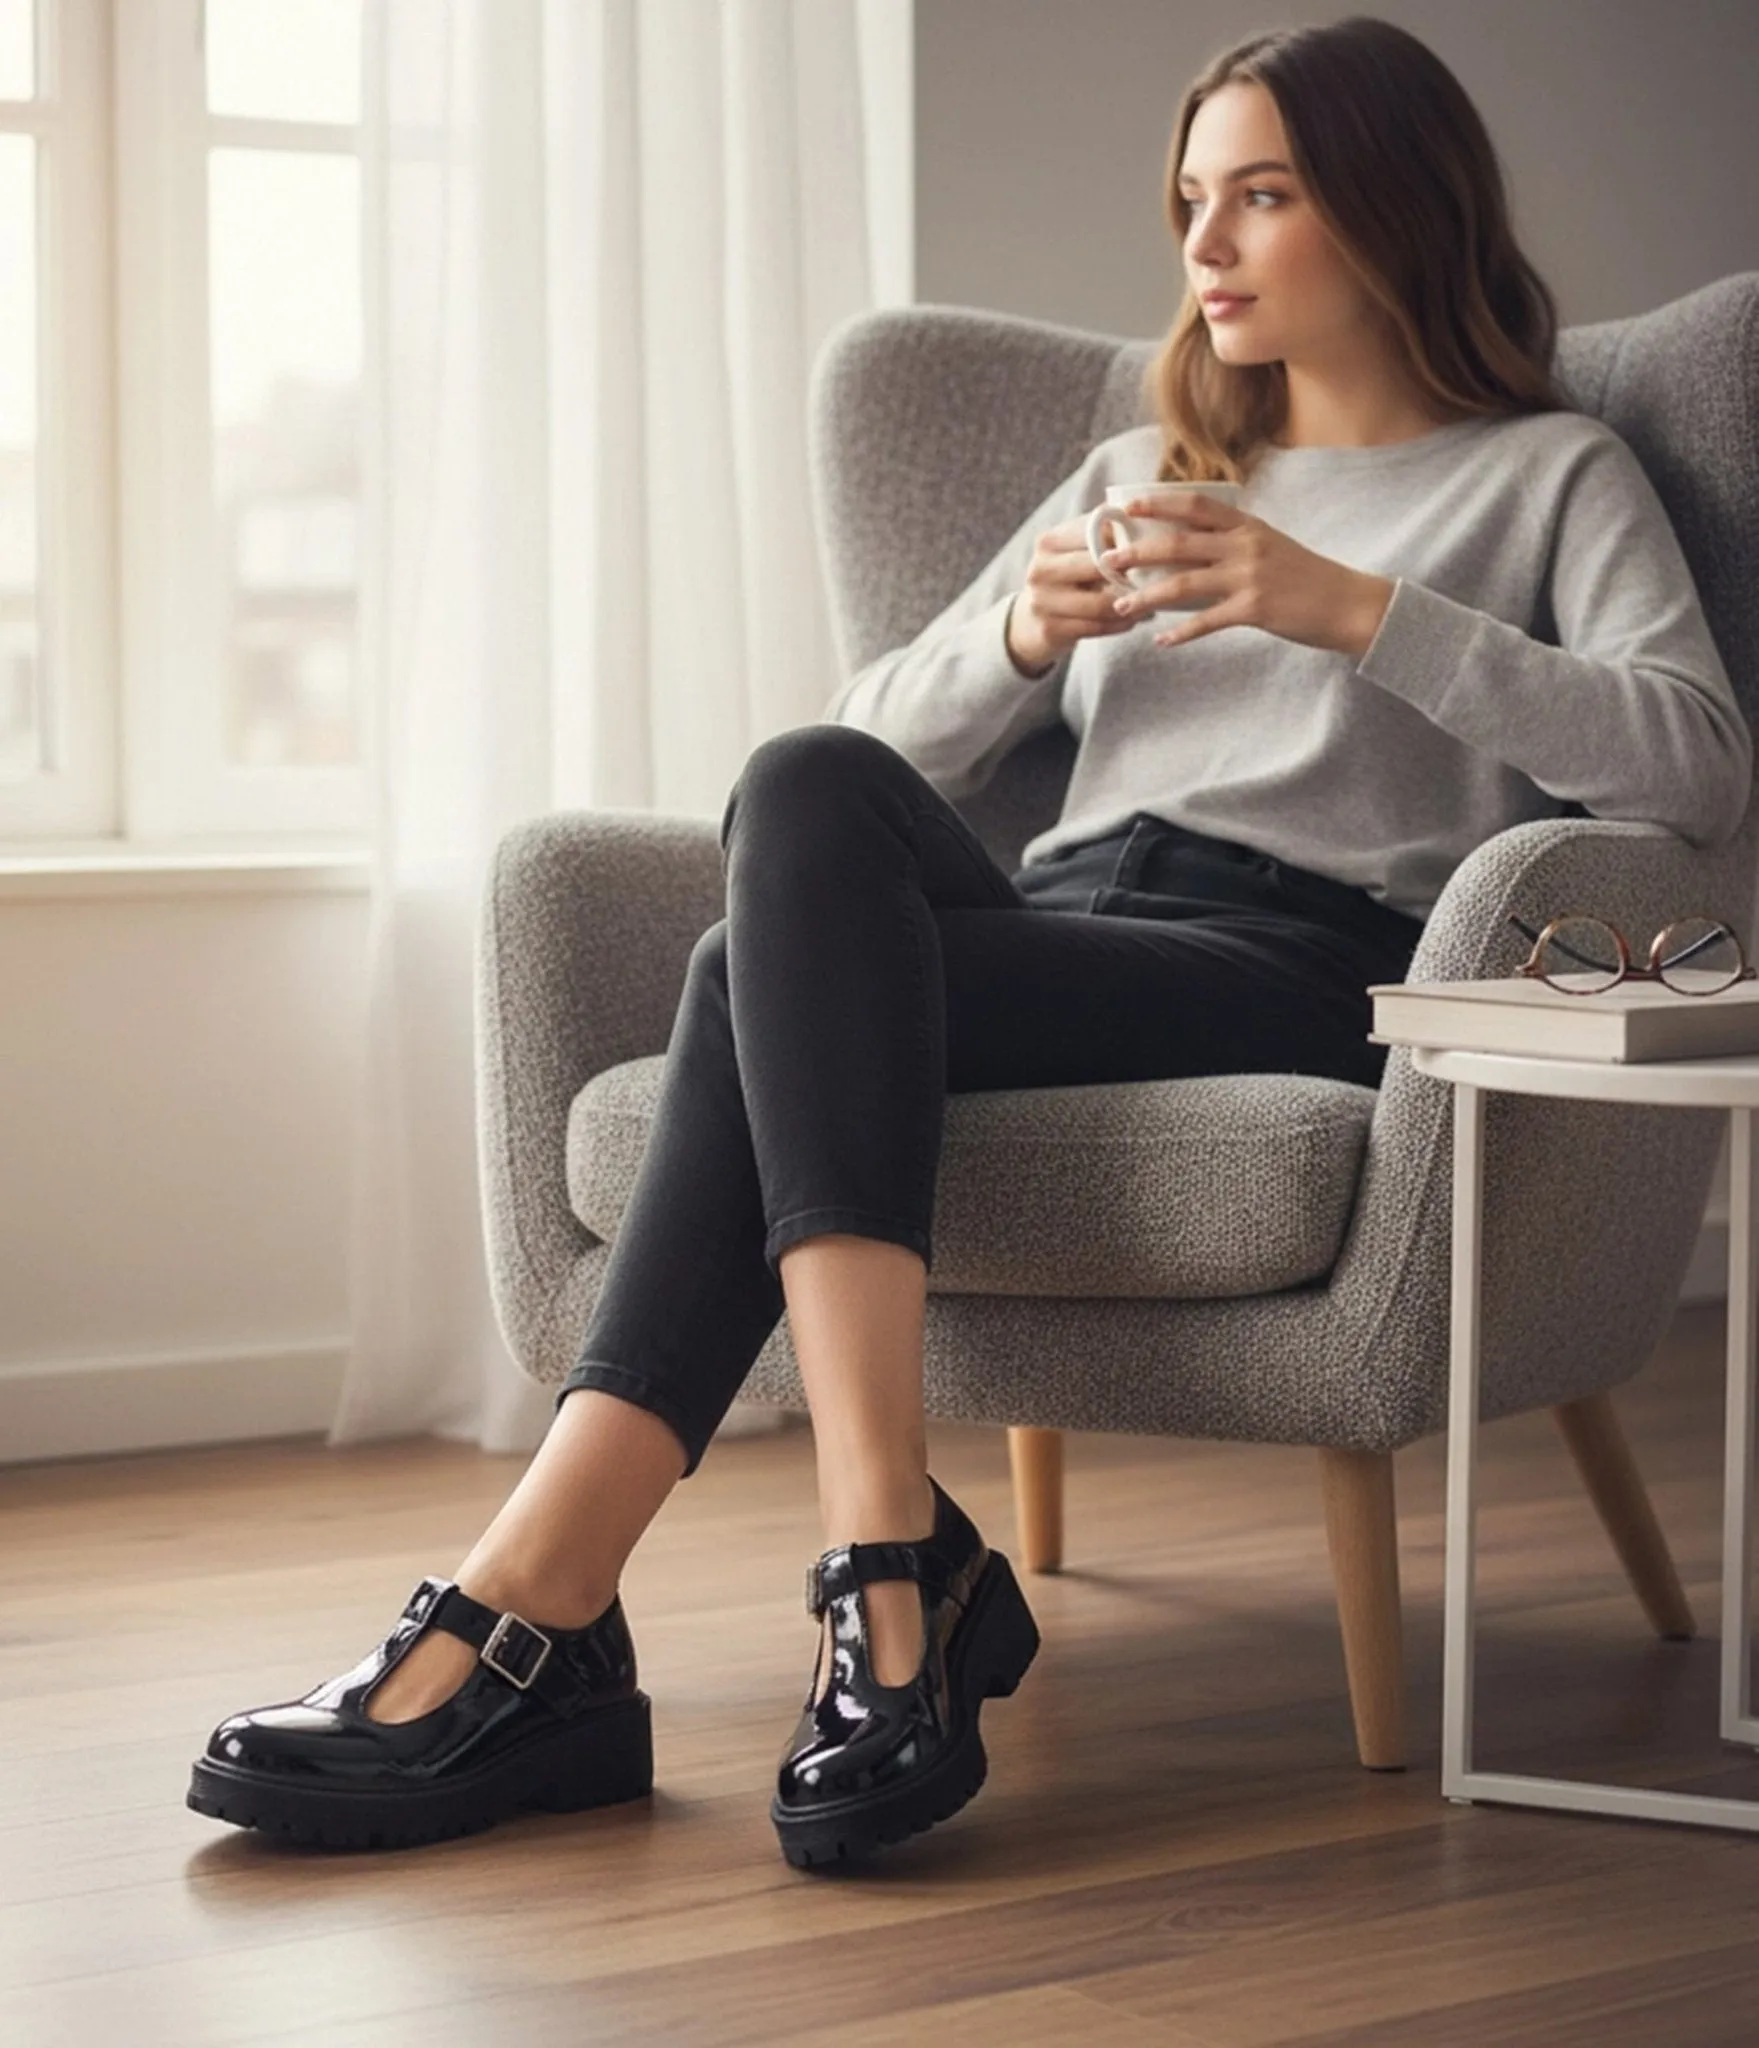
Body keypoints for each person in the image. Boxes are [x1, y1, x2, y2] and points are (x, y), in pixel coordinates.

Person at [187, 15, 1750, 1866]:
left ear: (1394, 211)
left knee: (721, 988)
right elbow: (857, 760)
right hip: (1075, 922)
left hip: (1310, 962)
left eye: (1262, 194)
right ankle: (877, 1553)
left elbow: (1698, 765)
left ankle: (562, 1599)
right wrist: (1017, 632)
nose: (1207, 245)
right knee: (808, 778)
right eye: (1189, 200)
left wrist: (1356, 611)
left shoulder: (1549, 471)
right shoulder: (1133, 464)